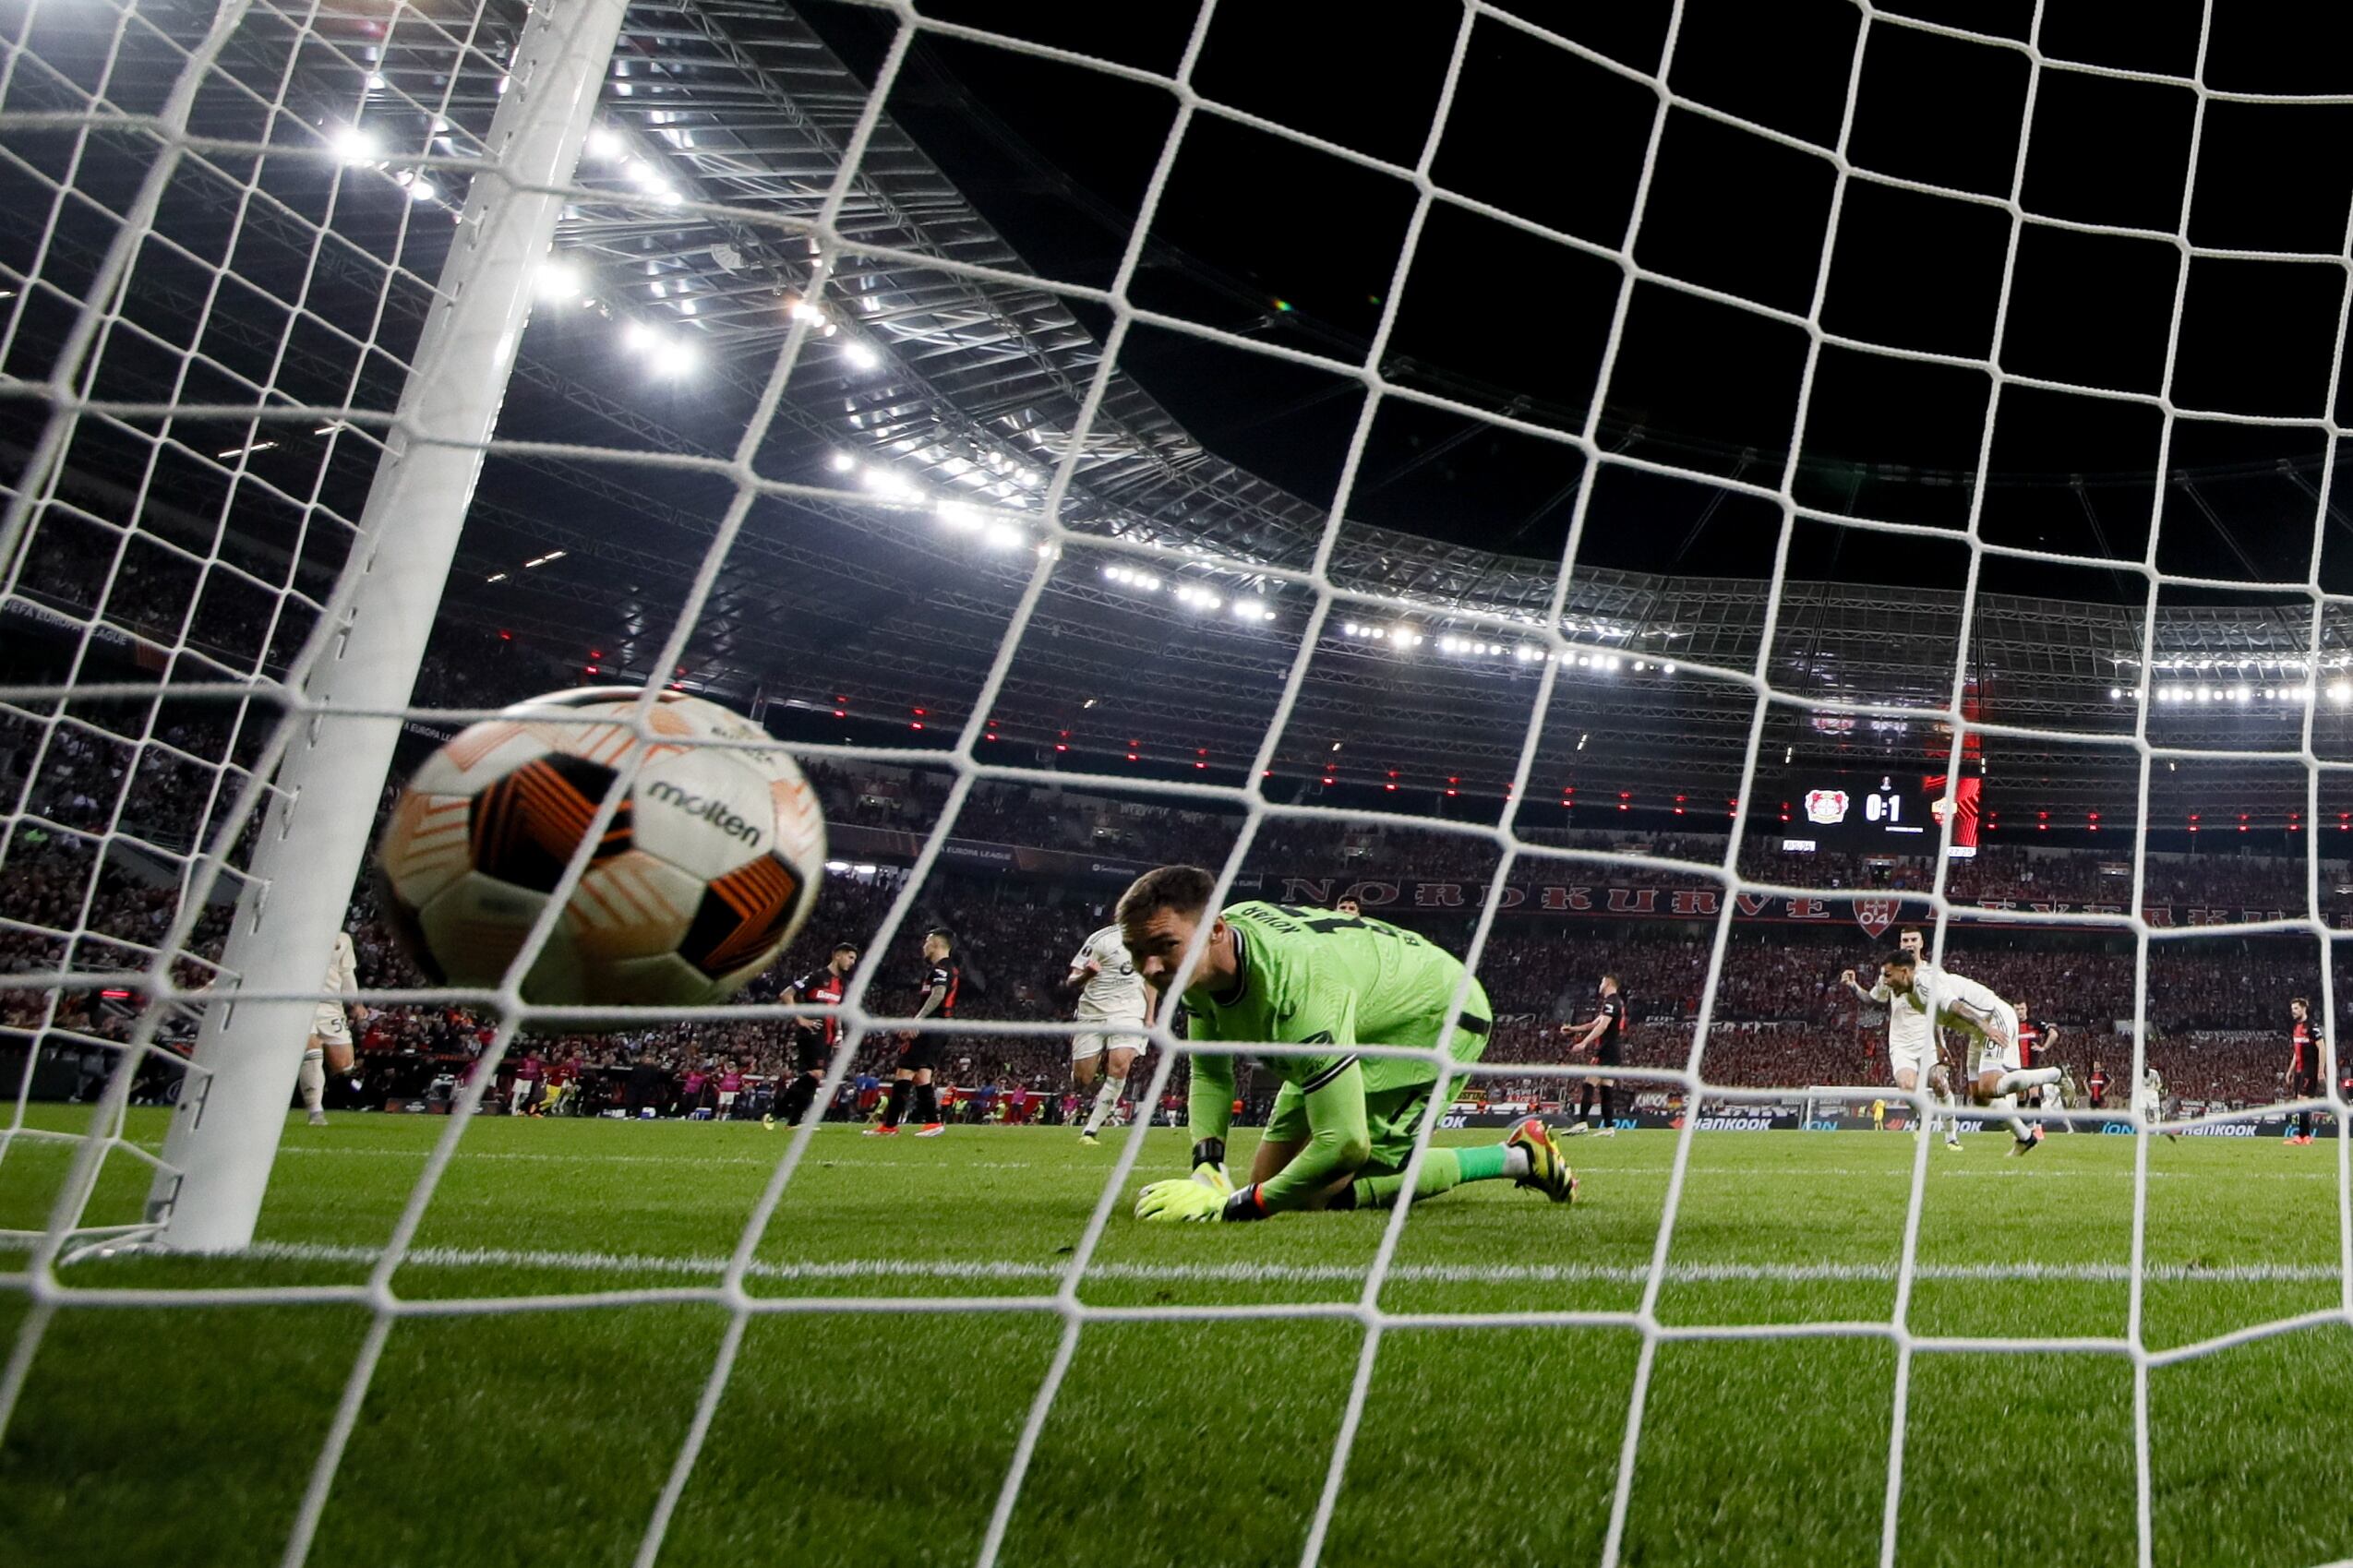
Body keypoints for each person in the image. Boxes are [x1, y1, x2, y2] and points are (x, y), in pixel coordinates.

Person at [1115, 866, 1576, 1222]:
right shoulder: (1201, 960)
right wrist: (1207, 1166)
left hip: (1431, 1014)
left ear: (1216, 930)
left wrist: (1233, 1208)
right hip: (1347, 1017)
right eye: (1137, 952)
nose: (1150, 968)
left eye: (1164, 947)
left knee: (1320, 1187)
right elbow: (1210, 1069)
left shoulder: (1295, 989)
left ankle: (1519, 1158)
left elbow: (1346, 1145)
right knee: (1272, 1181)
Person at [1877, 950, 2059, 1157]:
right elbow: (1934, 1016)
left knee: (1989, 1086)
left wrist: (1986, 1027)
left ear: (1904, 972)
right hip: (1977, 1029)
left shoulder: (1925, 984)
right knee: (1979, 1097)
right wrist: (1939, 1044)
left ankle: (2054, 1076)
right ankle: (2025, 1137)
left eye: (1888, 975)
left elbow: (1955, 1006)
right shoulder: (1910, 997)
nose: (1885, 981)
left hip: (1993, 1017)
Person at [1841, 927, 1960, 1151]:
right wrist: (1853, 986)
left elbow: (1941, 1009)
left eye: (1914, 939)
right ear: (1900, 942)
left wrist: (1941, 1044)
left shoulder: (1934, 973)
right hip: (1901, 1042)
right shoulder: (1889, 973)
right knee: (1906, 1086)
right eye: (1905, 939)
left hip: (1928, 1040)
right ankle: (1922, 1116)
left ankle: (1951, 1137)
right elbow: (1873, 1000)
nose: (1909, 943)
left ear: (1922, 943)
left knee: (1939, 1084)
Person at [1063, 920, 1154, 1146]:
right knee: (1083, 1079)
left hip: (1129, 1012)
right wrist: (1087, 975)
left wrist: (1150, 1017)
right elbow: (1071, 981)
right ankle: (1092, 1064)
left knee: (1121, 1066)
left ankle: (1090, 1131)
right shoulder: (1100, 939)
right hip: (1093, 1012)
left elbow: (1151, 981)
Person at [870, 928, 956, 1137]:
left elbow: (938, 994)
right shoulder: (944, 968)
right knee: (921, 1075)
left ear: (936, 944)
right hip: (937, 1027)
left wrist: (917, 1021)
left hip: (932, 1026)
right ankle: (932, 1124)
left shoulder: (942, 968)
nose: (923, 947)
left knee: (905, 1071)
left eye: (926, 942)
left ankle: (890, 1126)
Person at [769, 942, 858, 1131]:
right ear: (837, 955)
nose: (852, 962)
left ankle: (794, 1123)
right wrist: (800, 1019)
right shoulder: (817, 976)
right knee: (815, 1074)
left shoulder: (842, 983)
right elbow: (787, 994)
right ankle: (778, 1111)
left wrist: (839, 1033)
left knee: (815, 1078)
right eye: (850, 957)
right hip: (813, 1031)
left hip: (828, 1034)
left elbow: (838, 1010)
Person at [301, 928, 366, 1127]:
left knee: (343, 1064)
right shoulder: (298, 931)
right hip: (301, 1002)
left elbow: (346, 973)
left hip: (331, 1005)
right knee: (312, 1051)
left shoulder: (343, 938)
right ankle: (315, 1110)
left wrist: (355, 1002)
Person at [1557, 975, 1627, 1137]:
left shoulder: (1612, 1002)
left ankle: (1581, 1123)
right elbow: (1593, 1024)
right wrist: (1572, 1029)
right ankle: (1609, 1127)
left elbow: (1602, 1026)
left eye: (1602, 981)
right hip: (1614, 1051)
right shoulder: (1616, 1002)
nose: (1600, 985)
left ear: (1608, 983)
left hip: (1606, 1050)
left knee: (1589, 1084)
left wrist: (1584, 1043)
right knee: (1605, 1088)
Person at [2287, 997, 2324, 1145]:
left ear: (2303, 1009)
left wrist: (2320, 1071)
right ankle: (2302, 1136)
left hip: (2310, 1069)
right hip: (2299, 1070)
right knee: (2300, 1101)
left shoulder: (2312, 1027)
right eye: (2292, 1009)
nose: (2293, 1012)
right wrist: (2290, 1071)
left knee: (2303, 1100)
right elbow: (2296, 1052)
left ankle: (2305, 1135)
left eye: (2296, 1008)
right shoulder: (2296, 1027)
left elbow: (2322, 1048)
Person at [2135, 1064, 2179, 1143]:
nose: (2146, 1075)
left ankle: (2157, 1131)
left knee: (2156, 1111)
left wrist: (2156, 1090)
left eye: (2147, 1074)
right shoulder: (2138, 1074)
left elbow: (2159, 1083)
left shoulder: (2154, 1073)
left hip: (2153, 1092)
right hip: (2143, 1092)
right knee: (2142, 1111)